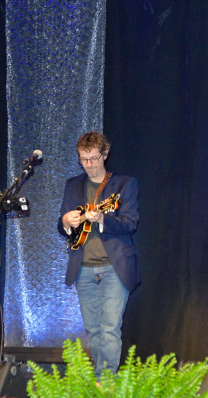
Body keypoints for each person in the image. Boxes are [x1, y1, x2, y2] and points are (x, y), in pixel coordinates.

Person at [58, 132, 139, 375]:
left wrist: (103, 219)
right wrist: (65, 221)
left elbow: (130, 223)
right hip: (83, 267)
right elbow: (62, 226)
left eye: (94, 158)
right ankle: (99, 381)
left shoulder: (124, 184)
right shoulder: (72, 185)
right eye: (84, 159)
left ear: (105, 154)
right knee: (93, 330)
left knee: (109, 329)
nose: (89, 164)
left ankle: (106, 384)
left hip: (114, 267)